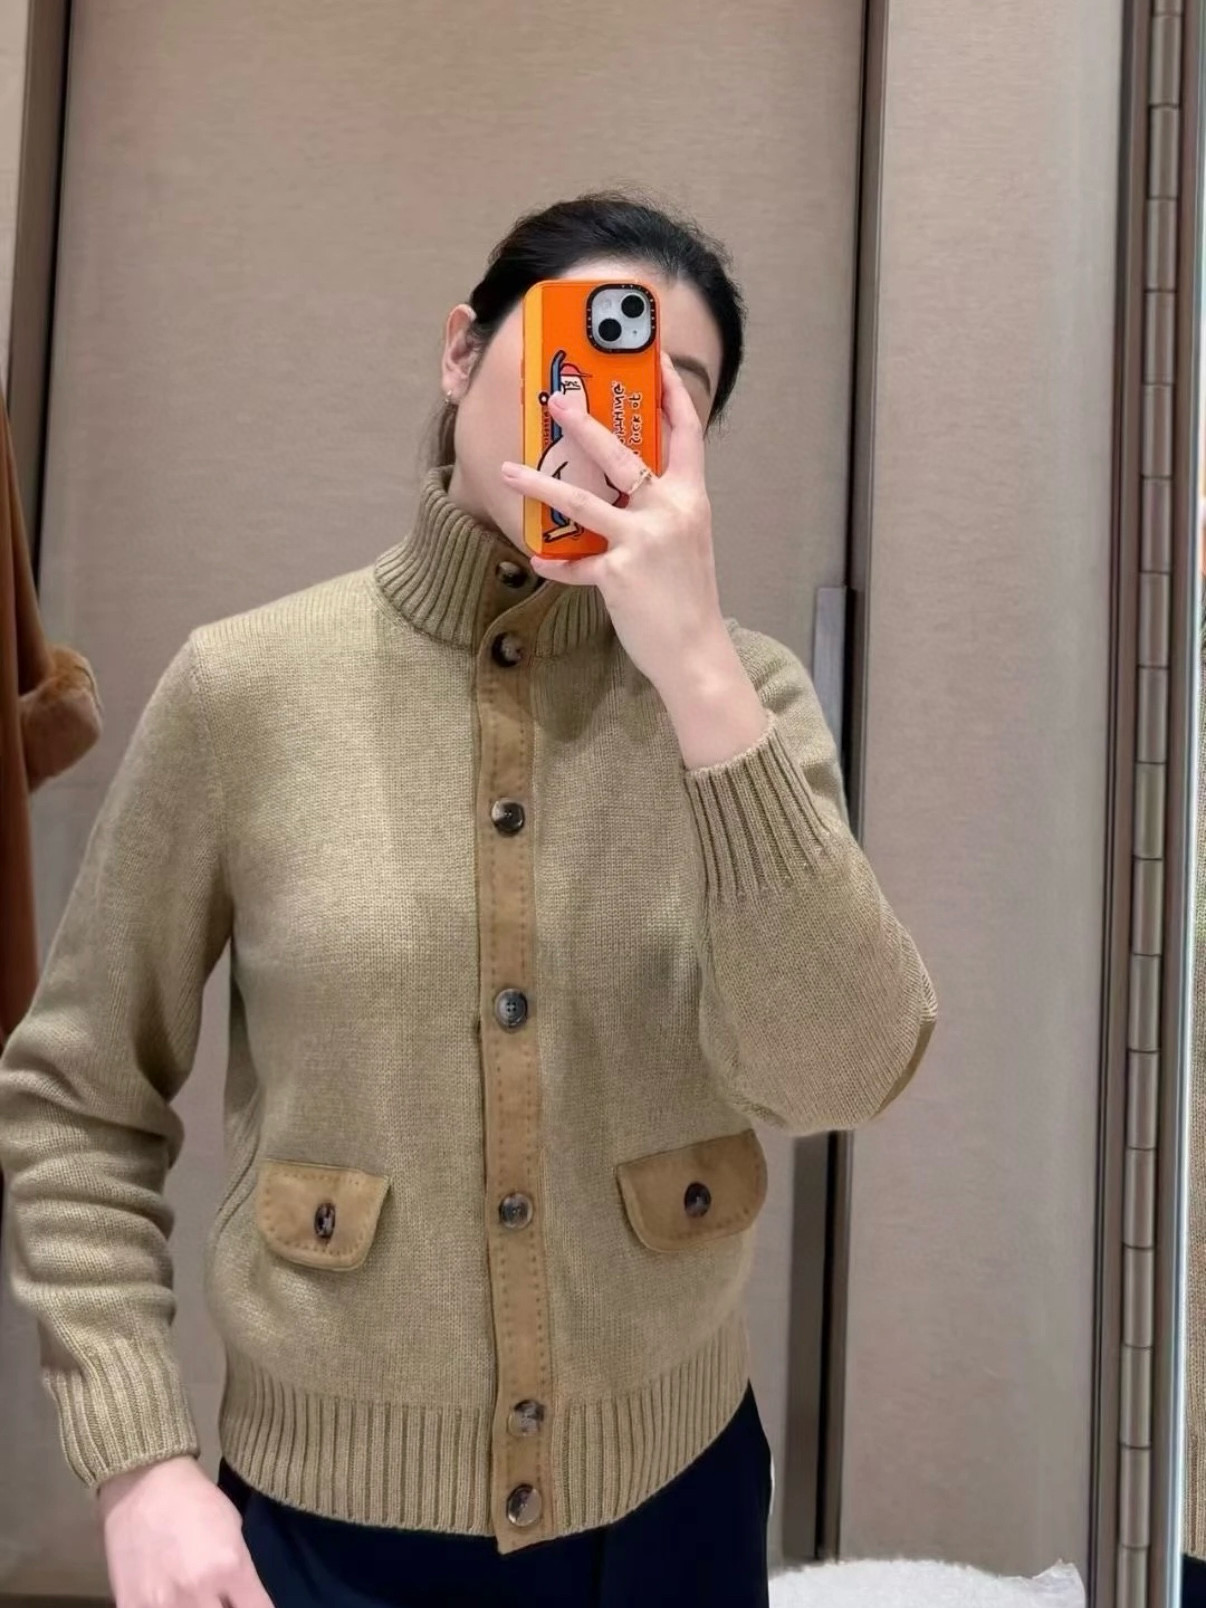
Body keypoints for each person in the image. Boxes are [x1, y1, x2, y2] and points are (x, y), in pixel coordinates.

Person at [0, 193, 938, 1608]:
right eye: (578, 356)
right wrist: (137, 1461)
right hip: (329, 1533)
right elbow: (76, 1096)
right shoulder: (246, 690)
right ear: (459, 355)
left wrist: (695, 673)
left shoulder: (745, 701)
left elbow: (843, 1073)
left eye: (670, 394)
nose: (606, 414)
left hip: (676, 1511)